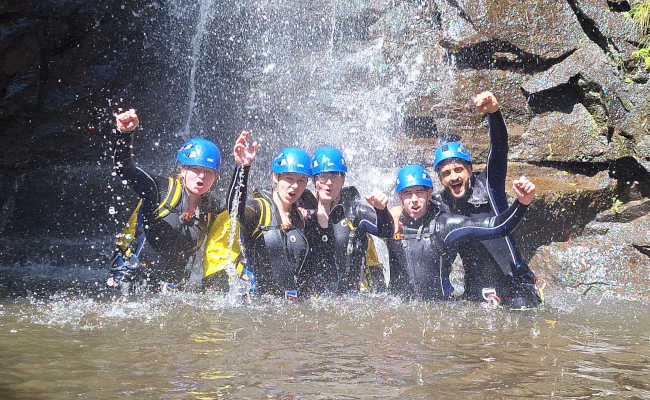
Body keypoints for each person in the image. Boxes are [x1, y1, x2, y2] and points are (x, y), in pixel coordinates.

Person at [433, 91, 541, 309]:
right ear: (440, 178)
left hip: (514, 283)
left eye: (458, 169)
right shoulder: (439, 204)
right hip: (475, 289)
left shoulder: (489, 185)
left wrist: (493, 113)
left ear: (470, 170)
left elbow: (499, 148)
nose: (453, 176)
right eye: (446, 173)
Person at [107, 109, 223, 292]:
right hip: (132, 281)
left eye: (208, 172)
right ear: (183, 170)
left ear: (215, 177)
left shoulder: (211, 208)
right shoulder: (159, 189)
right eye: (195, 169)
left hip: (170, 290)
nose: (201, 176)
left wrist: (243, 166)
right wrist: (125, 135)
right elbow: (125, 170)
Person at [387, 165, 536, 303]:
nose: (414, 199)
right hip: (397, 307)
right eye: (407, 193)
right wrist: (383, 213)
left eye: (419, 192)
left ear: (429, 193)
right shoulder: (388, 224)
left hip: (440, 310)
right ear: (399, 197)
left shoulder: (445, 225)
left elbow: (498, 227)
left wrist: (522, 203)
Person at [227, 131, 315, 298]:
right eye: (289, 179)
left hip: (288, 305)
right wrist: (242, 168)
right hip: (256, 306)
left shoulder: (301, 216)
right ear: (276, 177)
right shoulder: (259, 209)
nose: (294, 186)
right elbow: (234, 209)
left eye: (301, 181)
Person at [302, 147, 393, 294]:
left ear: (343, 179)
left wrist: (382, 211)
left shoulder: (355, 211)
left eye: (335, 176)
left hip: (351, 298)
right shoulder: (302, 211)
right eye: (323, 176)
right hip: (314, 299)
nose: (329, 182)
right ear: (314, 180)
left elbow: (386, 232)